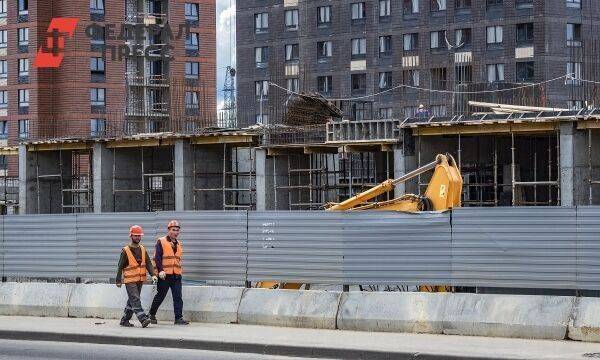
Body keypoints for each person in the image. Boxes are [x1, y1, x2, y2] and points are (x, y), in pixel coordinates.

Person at [149, 220, 189, 325]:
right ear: (168, 230)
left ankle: (178, 318)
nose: (175, 232)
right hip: (164, 275)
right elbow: (157, 257)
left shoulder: (179, 244)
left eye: (177, 230)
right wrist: (160, 270)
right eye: (173, 230)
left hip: (176, 275)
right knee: (160, 296)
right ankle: (151, 314)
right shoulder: (161, 241)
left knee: (178, 297)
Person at [116, 225, 157, 328]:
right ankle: (143, 318)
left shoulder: (143, 249)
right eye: (135, 235)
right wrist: (118, 280)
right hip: (129, 280)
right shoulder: (125, 250)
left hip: (140, 279)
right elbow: (120, 266)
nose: (138, 237)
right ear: (131, 236)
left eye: (139, 236)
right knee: (135, 298)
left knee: (132, 300)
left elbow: (148, 263)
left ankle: (124, 320)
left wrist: (153, 275)